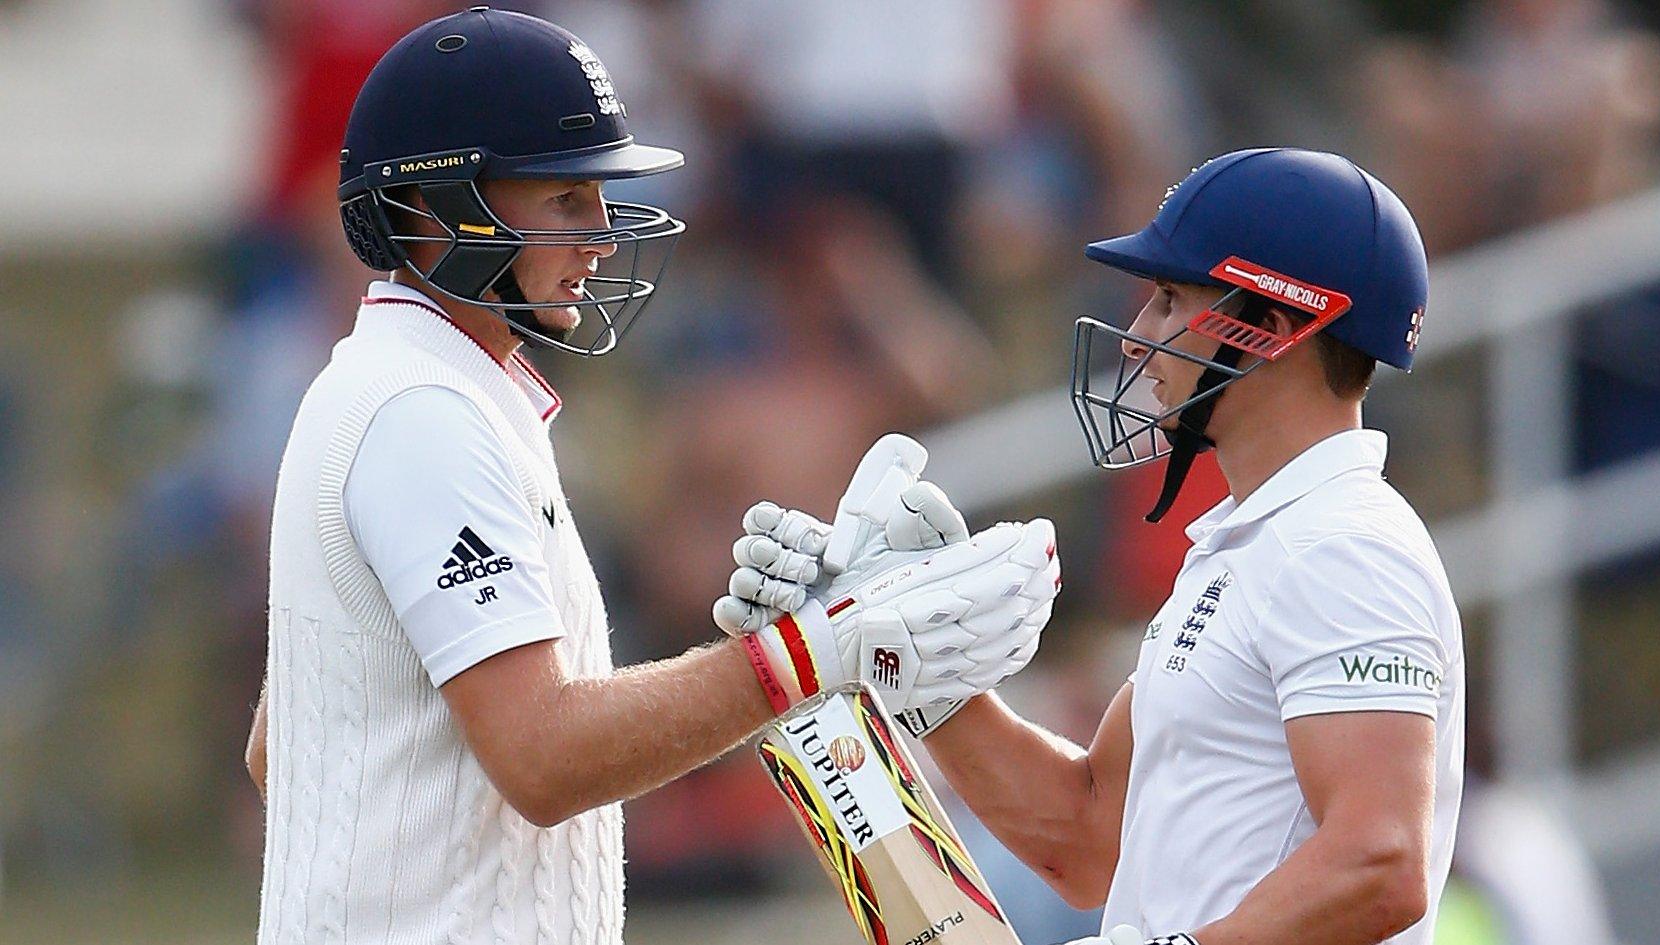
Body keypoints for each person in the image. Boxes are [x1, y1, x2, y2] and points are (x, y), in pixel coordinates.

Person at [243, 9, 1060, 944]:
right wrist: (810, 652)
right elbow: (544, 759)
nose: (600, 235)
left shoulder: (404, 384)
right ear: (432, 209)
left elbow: (288, 746)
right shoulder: (424, 413)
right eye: (562, 199)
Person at [724, 148, 1465, 945]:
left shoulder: (1342, 546)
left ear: (1273, 328)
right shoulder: (1256, 543)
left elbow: (1381, 861)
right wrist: (911, 664)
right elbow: (1086, 837)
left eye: (1170, 300)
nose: (1137, 337)